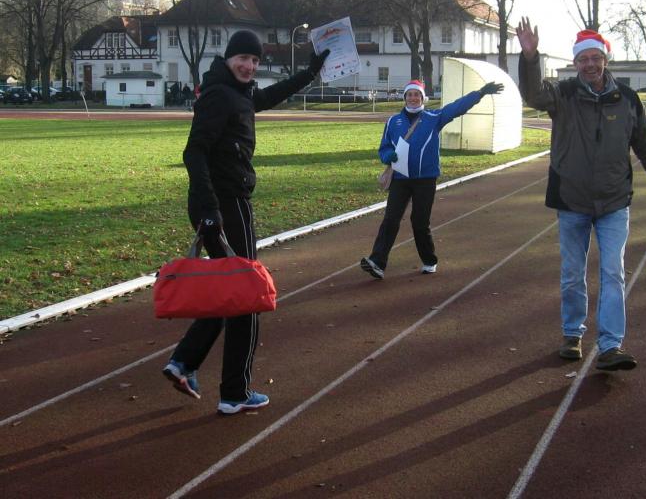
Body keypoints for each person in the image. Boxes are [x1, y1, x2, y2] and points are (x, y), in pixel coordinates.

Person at [163, 30, 329, 414]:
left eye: (254, 61)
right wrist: (210, 210)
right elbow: (194, 152)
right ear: (228, 58)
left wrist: (309, 74)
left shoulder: (237, 92)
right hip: (224, 204)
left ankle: (185, 361)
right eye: (243, 58)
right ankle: (234, 391)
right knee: (247, 293)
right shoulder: (221, 95)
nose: (249, 66)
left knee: (231, 288)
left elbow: (269, 96)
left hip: (222, 204)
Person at [515, 18, 646, 371]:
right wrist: (530, 57)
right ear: (575, 63)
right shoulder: (563, 95)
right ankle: (572, 334)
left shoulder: (628, 100)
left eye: (595, 58)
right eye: (583, 59)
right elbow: (534, 95)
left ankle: (610, 345)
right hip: (571, 200)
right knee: (573, 273)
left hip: (614, 202)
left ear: (605, 60)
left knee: (614, 273)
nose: (590, 64)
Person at [360, 78, 504, 280]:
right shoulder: (393, 121)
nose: (413, 98)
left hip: (425, 179)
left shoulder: (434, 117)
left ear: (422, 98)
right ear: (405, 97)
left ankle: (429, 260)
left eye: (416, 95)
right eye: (409, 95)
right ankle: (377, 262)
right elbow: (384, 147)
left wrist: (480, 93)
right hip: (400, 178)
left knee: (419, 222)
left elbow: (457, 107)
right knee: (390, 219)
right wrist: (387, 156)